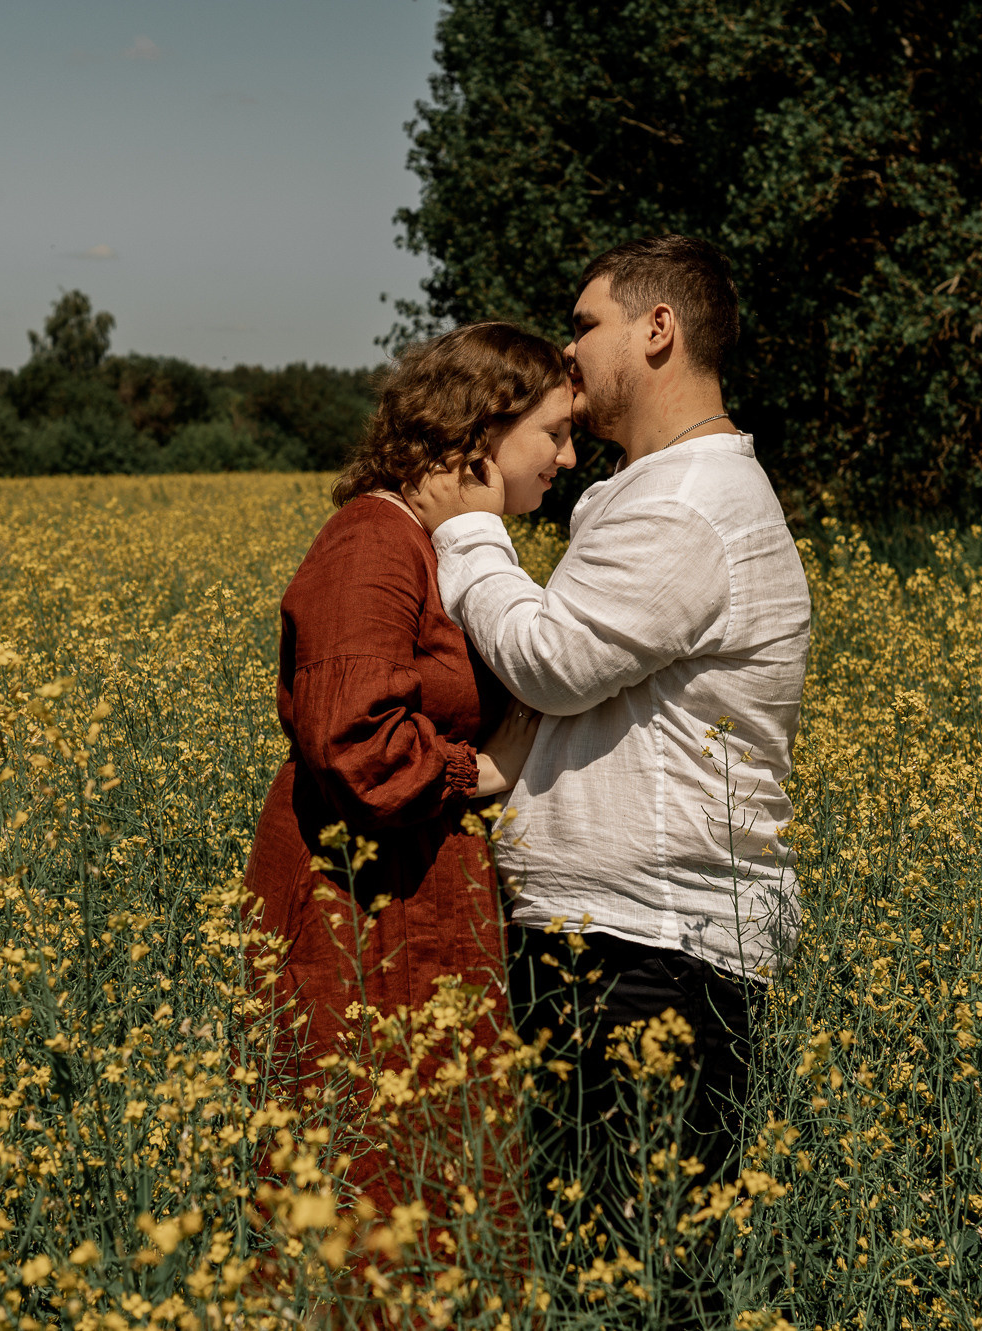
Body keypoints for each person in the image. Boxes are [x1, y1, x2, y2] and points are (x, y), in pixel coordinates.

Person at [405, 236, 813, 1260]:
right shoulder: (658, 491)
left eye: (585, 324)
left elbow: (551, 661)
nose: (567, 349)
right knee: (596, 1257)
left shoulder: (687, 503)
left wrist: (467, 529)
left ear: (657, 330)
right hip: (623, 943)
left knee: (629, 1268)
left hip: (647, 953)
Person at [241, 320, 576, 1244]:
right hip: (355, 909)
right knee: (361, 1176)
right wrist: (481, 769)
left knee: (431, 1171)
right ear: (482, 430)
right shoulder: (372, 541)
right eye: (552, 433)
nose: (567, 456)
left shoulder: (426, 545)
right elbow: (354, 740)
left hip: (411, 901)